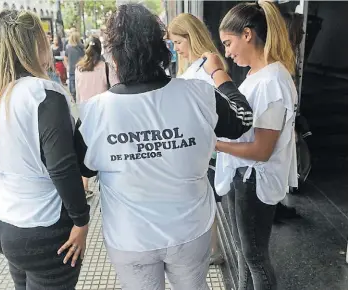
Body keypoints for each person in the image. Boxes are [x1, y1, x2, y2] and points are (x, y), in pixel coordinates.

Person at [78, 4, 253, 289]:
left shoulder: (94, 113)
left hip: (131, 237)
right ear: (162, 47)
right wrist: (219, 73)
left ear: (114, 55)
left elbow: (82, 167)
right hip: (189, 230)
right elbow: (243, 119)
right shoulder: (199, 94)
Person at [0, 10, 89, 289]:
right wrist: (81, 220)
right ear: (34, 44)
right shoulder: (42, 94)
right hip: (42, 226)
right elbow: (62, 167)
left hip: (1, 219)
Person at [214, 2, 298, 289]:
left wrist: (217, 146)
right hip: (245, 175)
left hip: (254, 179)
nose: (227, 52)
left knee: (255, 257)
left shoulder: (271, 81)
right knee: (245, 253)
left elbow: (262, 150)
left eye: (228, 43)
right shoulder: (257, 75)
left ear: (247, 34)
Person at [168, 12, 228, 267]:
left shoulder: (206, 68)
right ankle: (209, 248)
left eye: (179, 43)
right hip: (199, 147)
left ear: (191, 37)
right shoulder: (196, 66)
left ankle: (211, 249)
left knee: (204, 202)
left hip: (207, 148)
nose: (176, 49)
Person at [75, 36, 118, 199]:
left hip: (85, 117)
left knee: (86, 153)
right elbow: (115, 91)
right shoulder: (106, 68)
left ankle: (84, 187)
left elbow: (78, 95)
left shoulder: (78, 68)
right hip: (103, 117)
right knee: (105, 153)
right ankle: (106, 187)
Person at [64, 32, 84, 101]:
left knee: (72, 85)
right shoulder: (81, 48)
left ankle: (73, 98)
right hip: (80, 69)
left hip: (72, 69)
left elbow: (65, 58)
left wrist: (67, 66)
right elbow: (83, 58)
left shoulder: (68, 48)